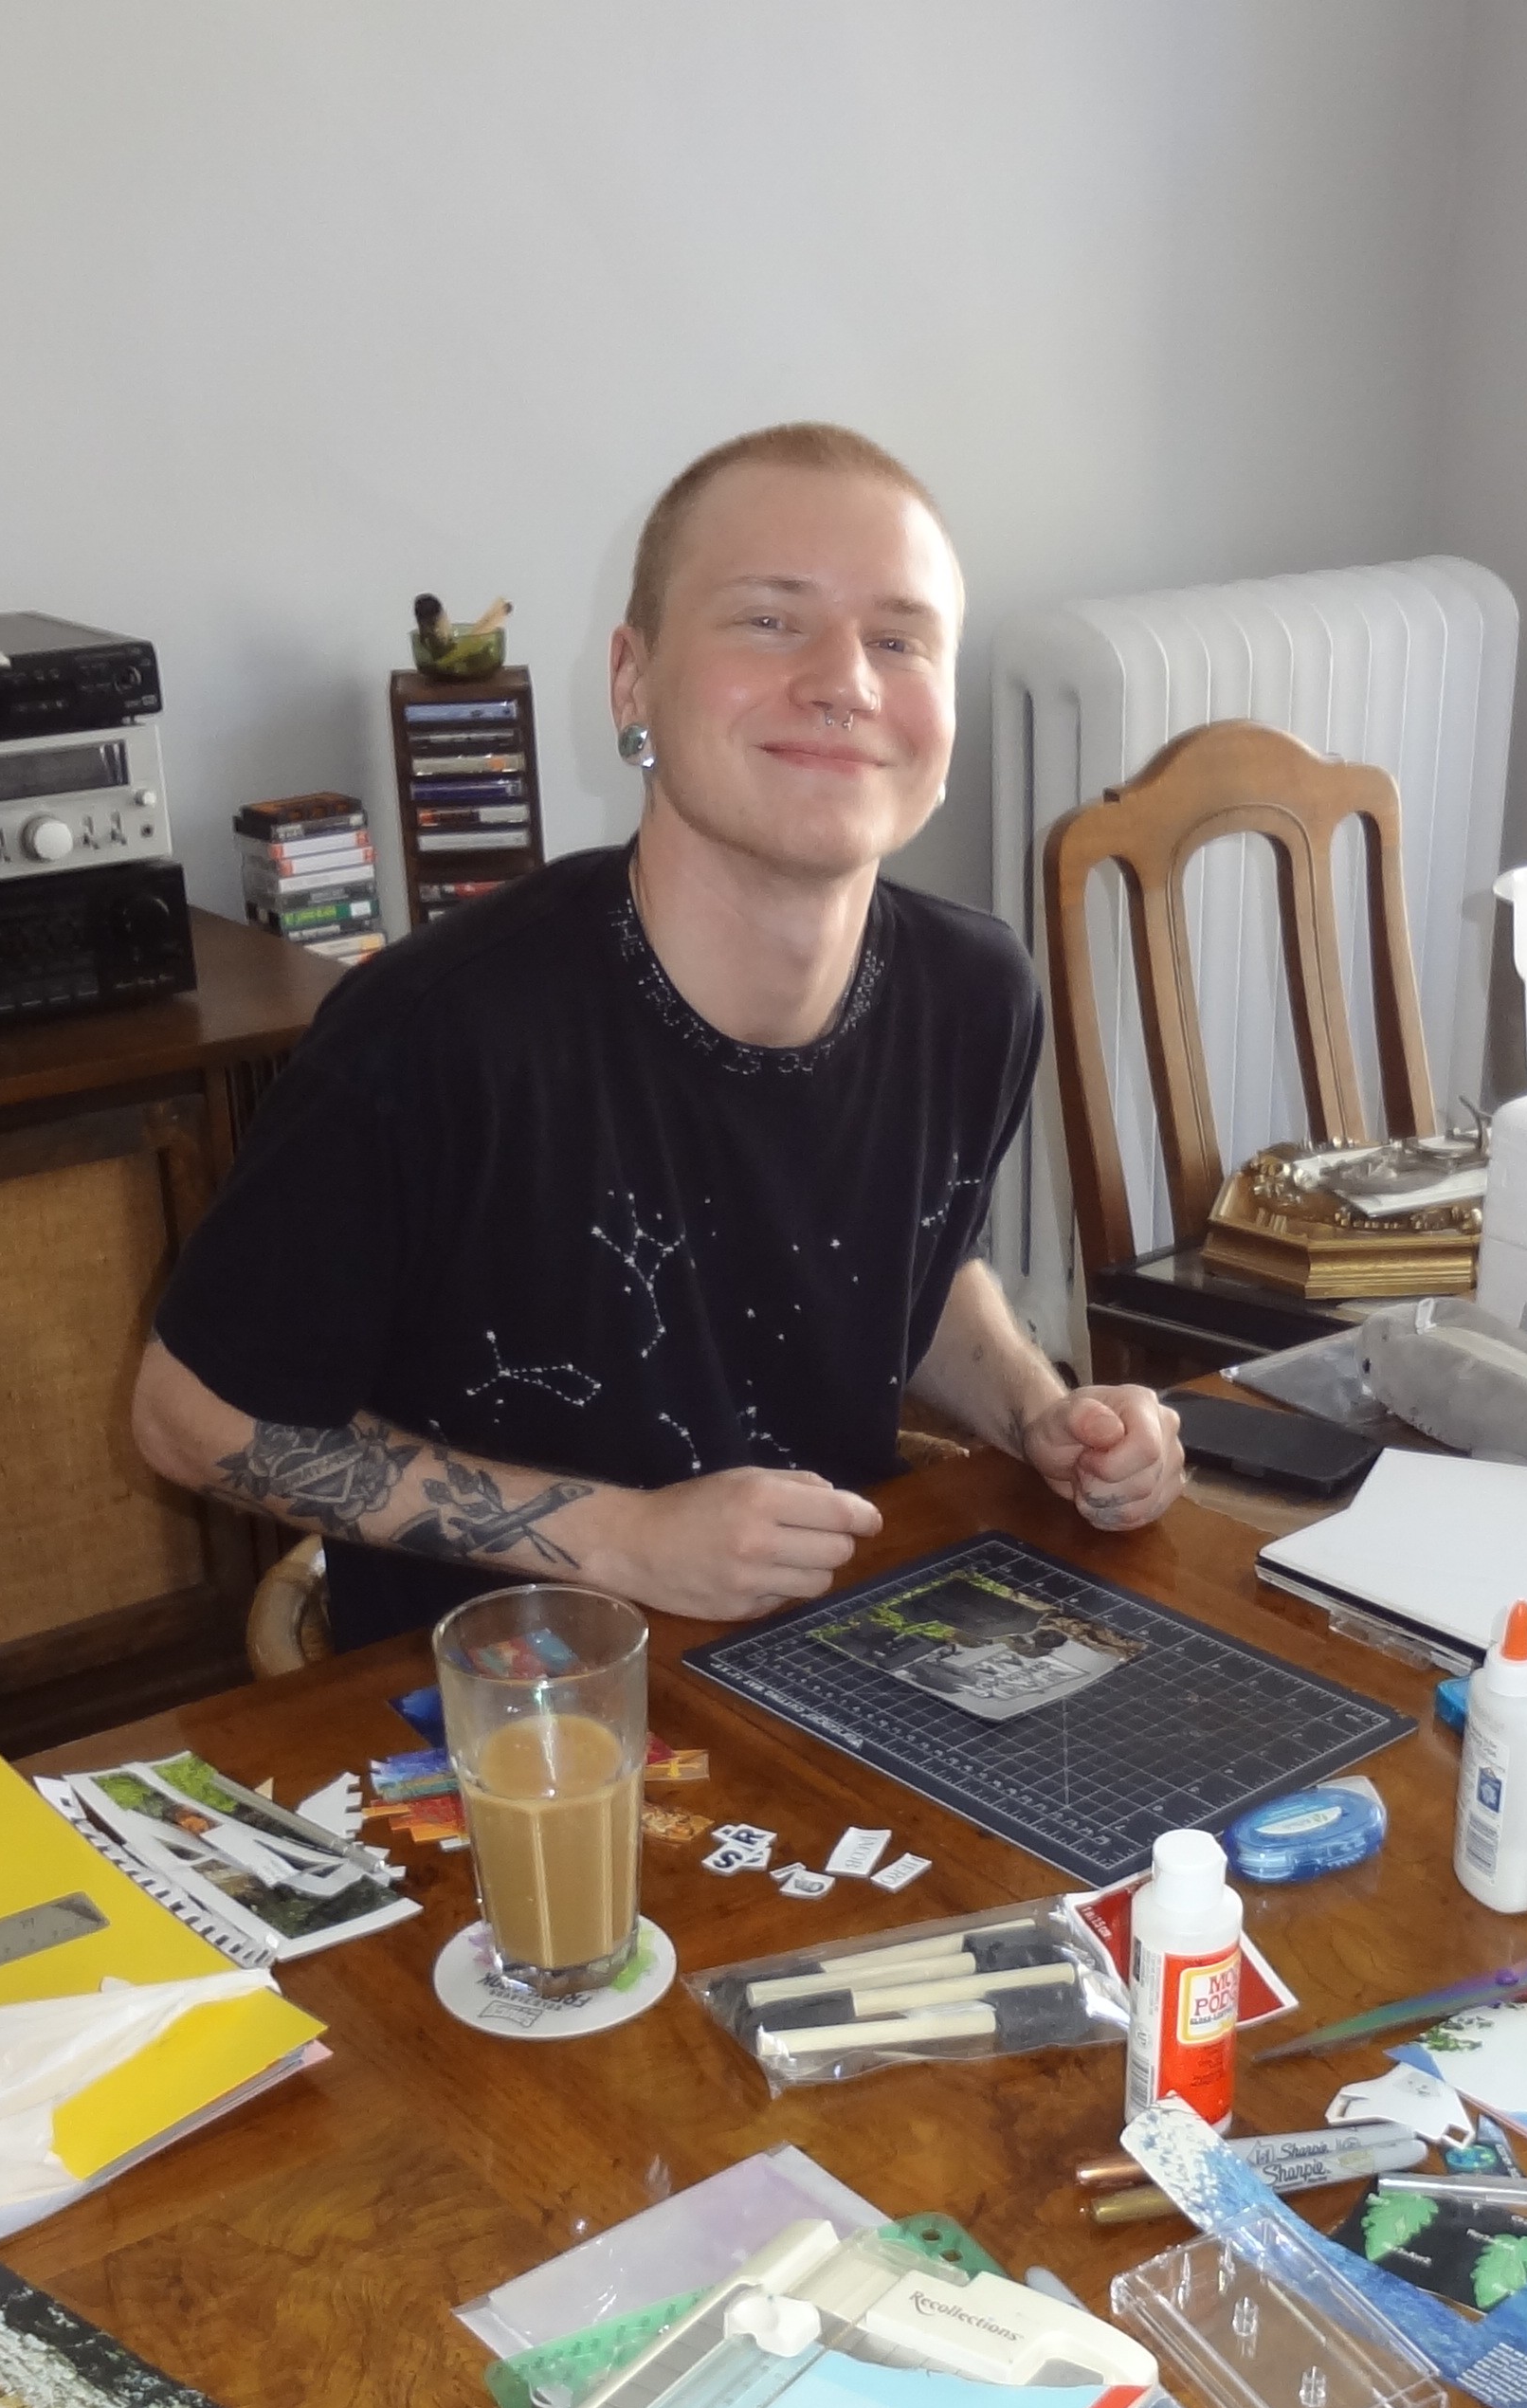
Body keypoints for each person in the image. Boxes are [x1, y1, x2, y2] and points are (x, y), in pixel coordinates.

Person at [134, 421, 1184, 1650]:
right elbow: (187, 1415)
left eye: (898, 639)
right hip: (501, 1733)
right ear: (632, 680)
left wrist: (1036, 1411)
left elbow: (907, 1264)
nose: (845, 680)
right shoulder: (439, 1035)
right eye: (770, 620)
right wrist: (631, 1540)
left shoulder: (977, 993)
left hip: (835, 1654)